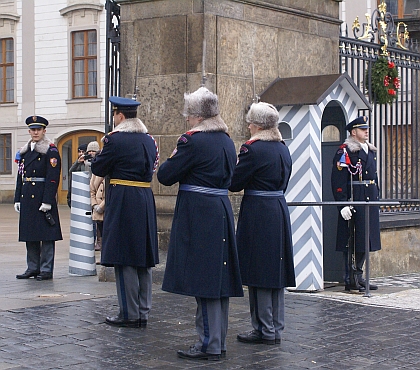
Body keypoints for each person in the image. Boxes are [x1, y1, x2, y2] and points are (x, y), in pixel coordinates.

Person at [157, 87, 243, 361]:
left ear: (196, 116)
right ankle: (217, 340)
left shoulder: (192, 142)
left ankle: (208, 343)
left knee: (204, 279)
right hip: (220, 209)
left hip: (198, 213)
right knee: (218, 278)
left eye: (189, 116)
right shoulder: (227, 141)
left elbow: (166, 176)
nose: (187, 120)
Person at [229, 102, 296, 346]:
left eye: (250, 122)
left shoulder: (252, 149)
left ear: (257, 125)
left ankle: (264, 328)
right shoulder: (282, 148)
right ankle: (274, 327)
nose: (247, 126)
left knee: (259, 270)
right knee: (275, 271)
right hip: (278, 208)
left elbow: (235, 182)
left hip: (259, 211)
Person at [91, 96, 159, 328]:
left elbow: (99, 167)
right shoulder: (149, 140)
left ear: (119, 115)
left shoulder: (115, 140)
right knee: (143, 258)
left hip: (123, 199)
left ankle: (129, 312)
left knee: (125, 257)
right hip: (145, 198)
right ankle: (143, 310)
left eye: (114, 115)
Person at [331, 116, 380, 292]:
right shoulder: (345, 151)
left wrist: (378, 196)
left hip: (369, 198)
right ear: (353, 132)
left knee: (366, 240)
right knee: (352, 239)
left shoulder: (370, 150)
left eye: (367, 128)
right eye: (362, 129)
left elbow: (374, 177)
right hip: (355, 199)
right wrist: (342, 203)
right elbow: (338, 179)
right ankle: (350, 277)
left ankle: (359, 274)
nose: (366, 131)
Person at [14, 115, 62, 281]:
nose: (35, 132)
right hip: (28, 196)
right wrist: (17, 198)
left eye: (38, 129)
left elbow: (53, 177)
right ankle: (33, 267)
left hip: (42, 196)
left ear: (44, 131)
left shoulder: (50, 151)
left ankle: (46, 269)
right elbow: (21, 175)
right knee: (30, 234)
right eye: (33, 130)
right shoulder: (25, 151)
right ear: (29, 131)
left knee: (46, 235)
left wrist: (48, 200)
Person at [88, 141, 105, 251]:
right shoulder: (95, 173)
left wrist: (101, 206)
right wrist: (94, 204)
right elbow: (91, 190)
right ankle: (99, 243)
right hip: (97, 205)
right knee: (99, 227)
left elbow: (110, 192)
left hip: (105, 206)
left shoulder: (108, 172)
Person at [67, 143, 88, 207]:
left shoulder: (89, 163)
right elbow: (71, 171)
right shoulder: (77, 163)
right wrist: (78, 162)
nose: (81, 153)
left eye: (83, 151)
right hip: (77, 191)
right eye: (79, 152)